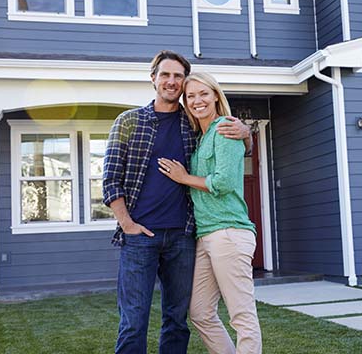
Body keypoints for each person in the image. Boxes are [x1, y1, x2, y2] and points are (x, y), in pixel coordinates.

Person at [102, 51, 251, 354]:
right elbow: (110, 179)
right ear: (153, 78)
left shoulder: (193, 122)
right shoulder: (128, 122)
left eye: (178, 76)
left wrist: (246, 134)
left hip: (183, 237)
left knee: (176, 319)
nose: (171, 81)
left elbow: (226, 148)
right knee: (133, 321)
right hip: (140, 236)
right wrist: (127, 224)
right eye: (165, 75)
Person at [158, 72, 262, 354]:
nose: (196, 101)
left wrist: (184, 178)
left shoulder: (224, 128)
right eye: (190, 96)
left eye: (203, 94)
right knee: (201, 312)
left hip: (228, 232)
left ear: (216, 95)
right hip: (205, 235)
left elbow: (225, 182)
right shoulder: (201, 137)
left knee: (241, 314)